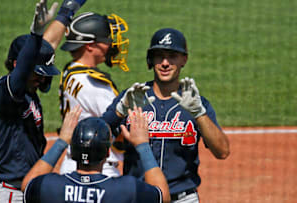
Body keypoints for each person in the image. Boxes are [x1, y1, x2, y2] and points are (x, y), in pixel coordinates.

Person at [102, 28, 230, 203]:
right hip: (138, 197)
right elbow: (96, 137)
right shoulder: (132, 98)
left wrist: (199, 114)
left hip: (183, 198)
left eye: (172, 56)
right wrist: (119, 111)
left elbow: (222, 152)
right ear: (151, 59)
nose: (165, 63)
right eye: (159, 56)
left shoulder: (195, 103)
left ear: (184, 59)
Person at [0, 0, 86, 202]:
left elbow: (49, 45)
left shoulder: (27, 87)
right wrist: (35, 33)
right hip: (11, 196)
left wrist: (68, 9)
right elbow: (23, 68)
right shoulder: (6, 94)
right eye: (37, 72)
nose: (42, 78)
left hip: (21, 191)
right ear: (17, 64)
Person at [22, 106, 171, 203]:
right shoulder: (126, 189)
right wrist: (143, 145)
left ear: (72, 151)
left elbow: (27, 184)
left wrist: (61, 141)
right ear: (107, 153)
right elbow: (163, 197)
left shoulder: (50, 186)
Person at [57, 11, 130, 177]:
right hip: (97, 170)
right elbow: (123, 125)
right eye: (106, 40)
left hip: (75, 162)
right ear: (90, 45)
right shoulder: (92, 85)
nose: (112, 44)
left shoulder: (71, 70)